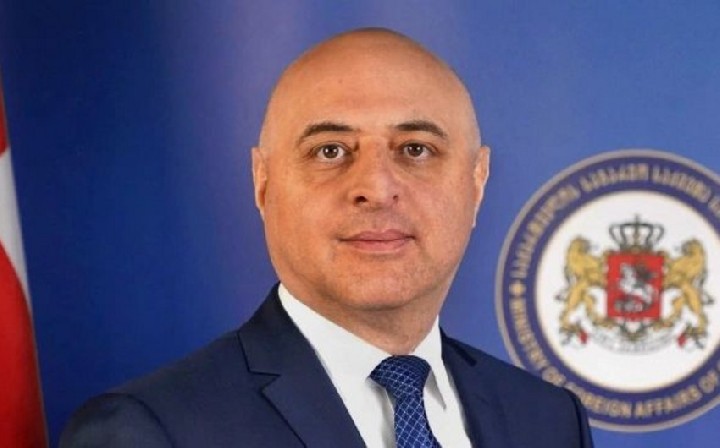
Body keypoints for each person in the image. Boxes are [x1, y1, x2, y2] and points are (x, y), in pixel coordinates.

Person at [60, 27, 594, 447]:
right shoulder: (148, 430)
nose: (376, 189)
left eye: (415, 149)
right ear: (263, 183)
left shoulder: (548, 419)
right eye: (330, 151)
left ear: (476, 184)